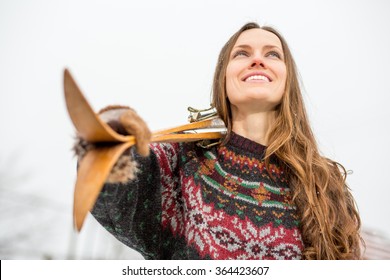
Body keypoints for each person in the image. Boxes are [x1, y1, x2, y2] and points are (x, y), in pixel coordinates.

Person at [75, 22, 363, 259]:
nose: (257, 59)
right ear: (223, 77)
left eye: (273, 54)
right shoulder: (183, 159)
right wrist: (111, 134)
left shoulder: (323, 182)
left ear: (288, 80)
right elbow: (113, 195)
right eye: (242, 53)